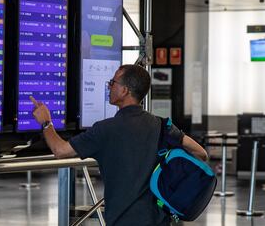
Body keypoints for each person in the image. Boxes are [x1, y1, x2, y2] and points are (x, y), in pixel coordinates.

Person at [30, 64, 208, 226]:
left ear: (124, 91)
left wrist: (46, 122)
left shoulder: (105, 130)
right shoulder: (162, 125)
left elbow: (60, 151)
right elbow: (201, 154)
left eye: (112, 83)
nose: (109, 86)